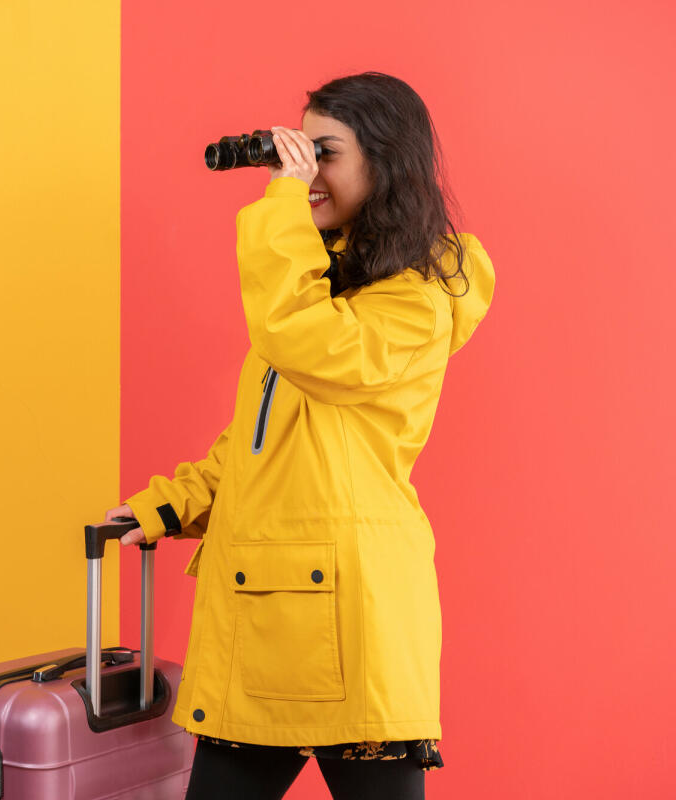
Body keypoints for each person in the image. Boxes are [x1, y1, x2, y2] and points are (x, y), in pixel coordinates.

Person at [104, 72, 496, 800]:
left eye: (324, 154)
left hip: (353, 618)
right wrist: (172, 503)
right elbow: (262, 442)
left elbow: (306, 341)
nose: (304, 174)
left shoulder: (420, 295)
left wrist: (282, 203)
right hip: (268, 611)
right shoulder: (318, 282)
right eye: (295, 154)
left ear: (386, 162)